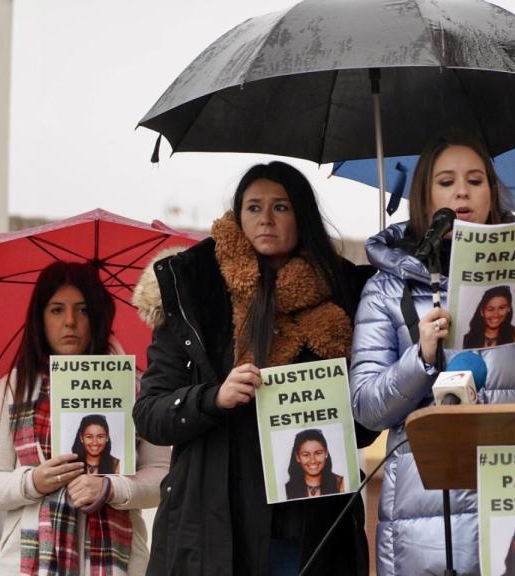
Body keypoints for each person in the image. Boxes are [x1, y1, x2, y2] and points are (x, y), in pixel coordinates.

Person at [349, 131, 515, 576]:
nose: (462, 191)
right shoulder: (386, 288)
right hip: (423, 516)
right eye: (446, 181)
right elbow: (367, 409)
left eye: (475, 180)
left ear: (492, 192)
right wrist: (421, 357)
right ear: (425, 195)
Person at [132, 161, 377, 576]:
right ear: (237, 217)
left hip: (307, 529)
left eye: (280, 207)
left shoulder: (347, 296)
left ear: (302, 216)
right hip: (213, 529)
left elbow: (367, 424)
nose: (265, 219)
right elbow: (150, 414)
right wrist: (213, 398)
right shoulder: (194, 295)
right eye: (253, 207)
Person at [0, 261, 169, 575]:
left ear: (98, 316)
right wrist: (32, 481)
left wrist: (111, 489)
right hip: (28, 563)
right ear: (40, 318)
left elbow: (163, 476)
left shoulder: (137, 386)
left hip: (118, 562)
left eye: (83, 309)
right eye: (57, 310)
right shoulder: (13, 389)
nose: (70, 322)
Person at [284, 428, 345, 500]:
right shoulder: (286, 489)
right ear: (297, 457)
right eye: (306, 455)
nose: (313, 460)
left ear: (326, 453)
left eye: (318, 453)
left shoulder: (341, 483)